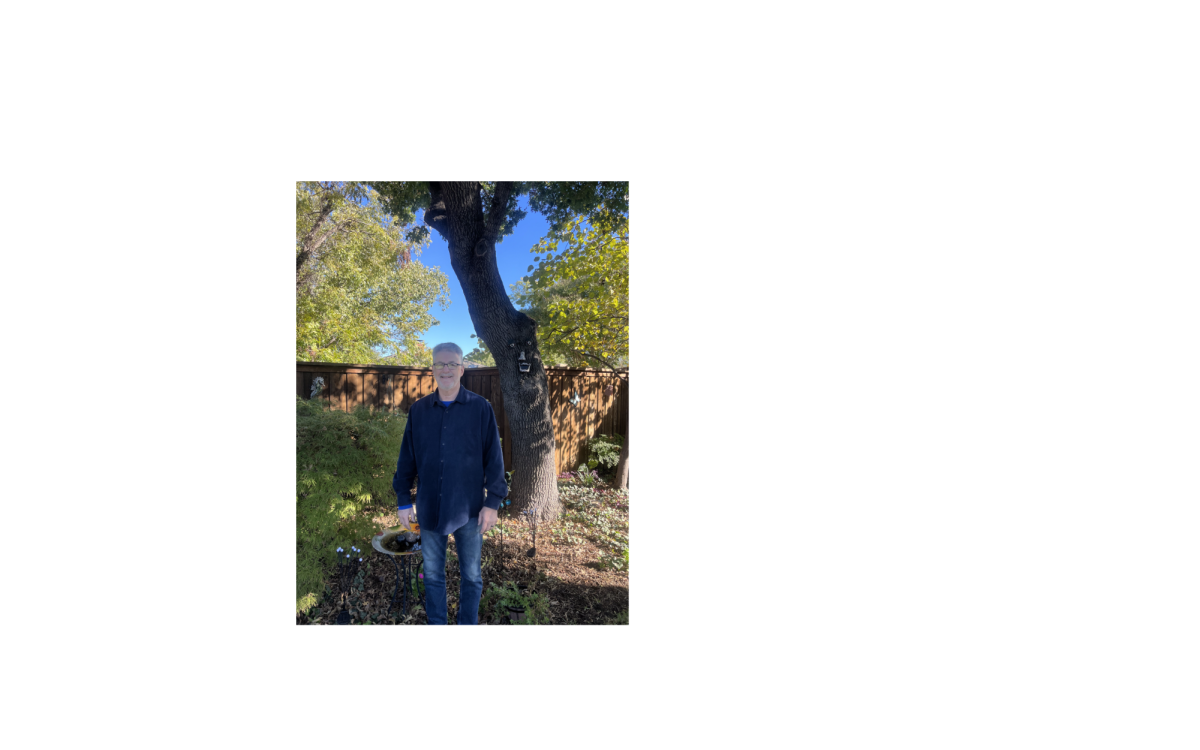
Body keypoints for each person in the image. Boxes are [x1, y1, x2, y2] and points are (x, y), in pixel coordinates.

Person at [393, 342, 506, 625]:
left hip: (469, 509)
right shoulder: (418, 411)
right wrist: (403, 500)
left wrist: (493, 503)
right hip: (429, 508)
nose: (446, 369)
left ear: (462, 369)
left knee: (471, 576)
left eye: (452, 364)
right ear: (432, 369)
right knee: (432, 575)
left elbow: (494, 459)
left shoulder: (481, 409)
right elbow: (407, 458)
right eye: (440, 364)